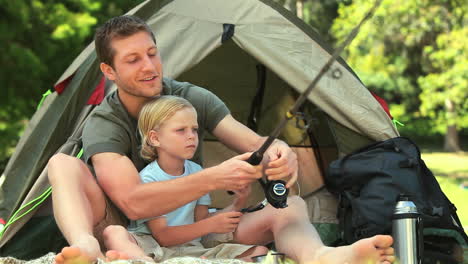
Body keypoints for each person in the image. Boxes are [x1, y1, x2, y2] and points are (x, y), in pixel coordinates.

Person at [48, 15, 395, 264]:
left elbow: (255, 143)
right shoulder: (106, 122)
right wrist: (215, 177)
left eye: (152, 53)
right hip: (126, 228)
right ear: (109, 71)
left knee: (292, 206)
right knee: (61, 164)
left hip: (197, 226)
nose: (149, 66)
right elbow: (134, 203)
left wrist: (280, 151)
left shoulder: (191, 97)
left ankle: (320, 256)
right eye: (133, 60)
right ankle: (85, 247)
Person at [102, 95, 268, 262]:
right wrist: (209, 225)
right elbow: (163, 237)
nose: (191, 136)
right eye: (181, 130)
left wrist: (240, 201)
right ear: (155, 138)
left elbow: (201, 220)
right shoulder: (149, 177)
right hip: (153, 247)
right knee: (113, 232)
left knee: (259, 251)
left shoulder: (197, 172)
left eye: (194, 129)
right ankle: (142, 261)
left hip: (191, 248)